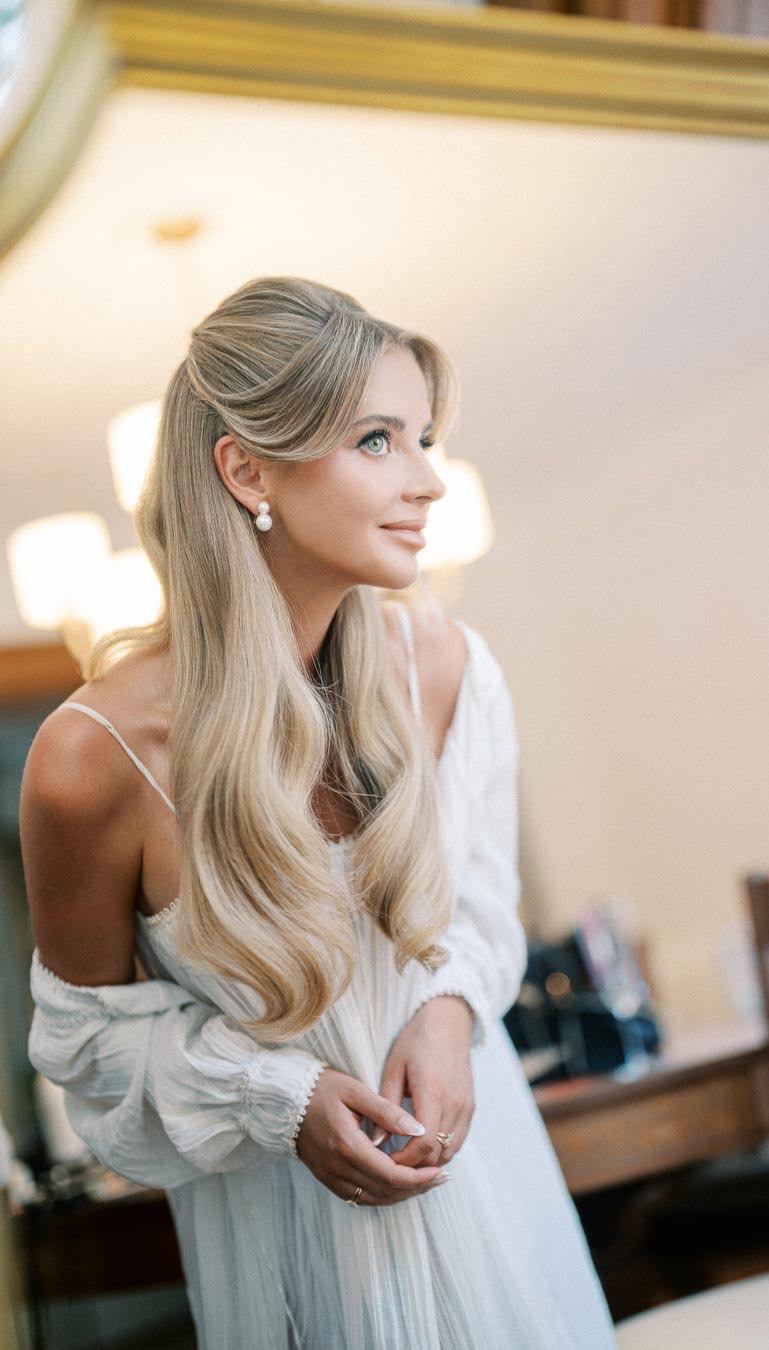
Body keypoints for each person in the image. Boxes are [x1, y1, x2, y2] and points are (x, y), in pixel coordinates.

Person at [21, 276, 617, 1349]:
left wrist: (448, 1016)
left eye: (425, 438)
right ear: (246, 468)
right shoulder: (89, 761)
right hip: (286, 1253)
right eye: (379, 441)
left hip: (494, 1201)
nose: (430, 481)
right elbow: (90, 1056)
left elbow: (481, 908)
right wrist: (277, 1098)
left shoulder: (445, 665)